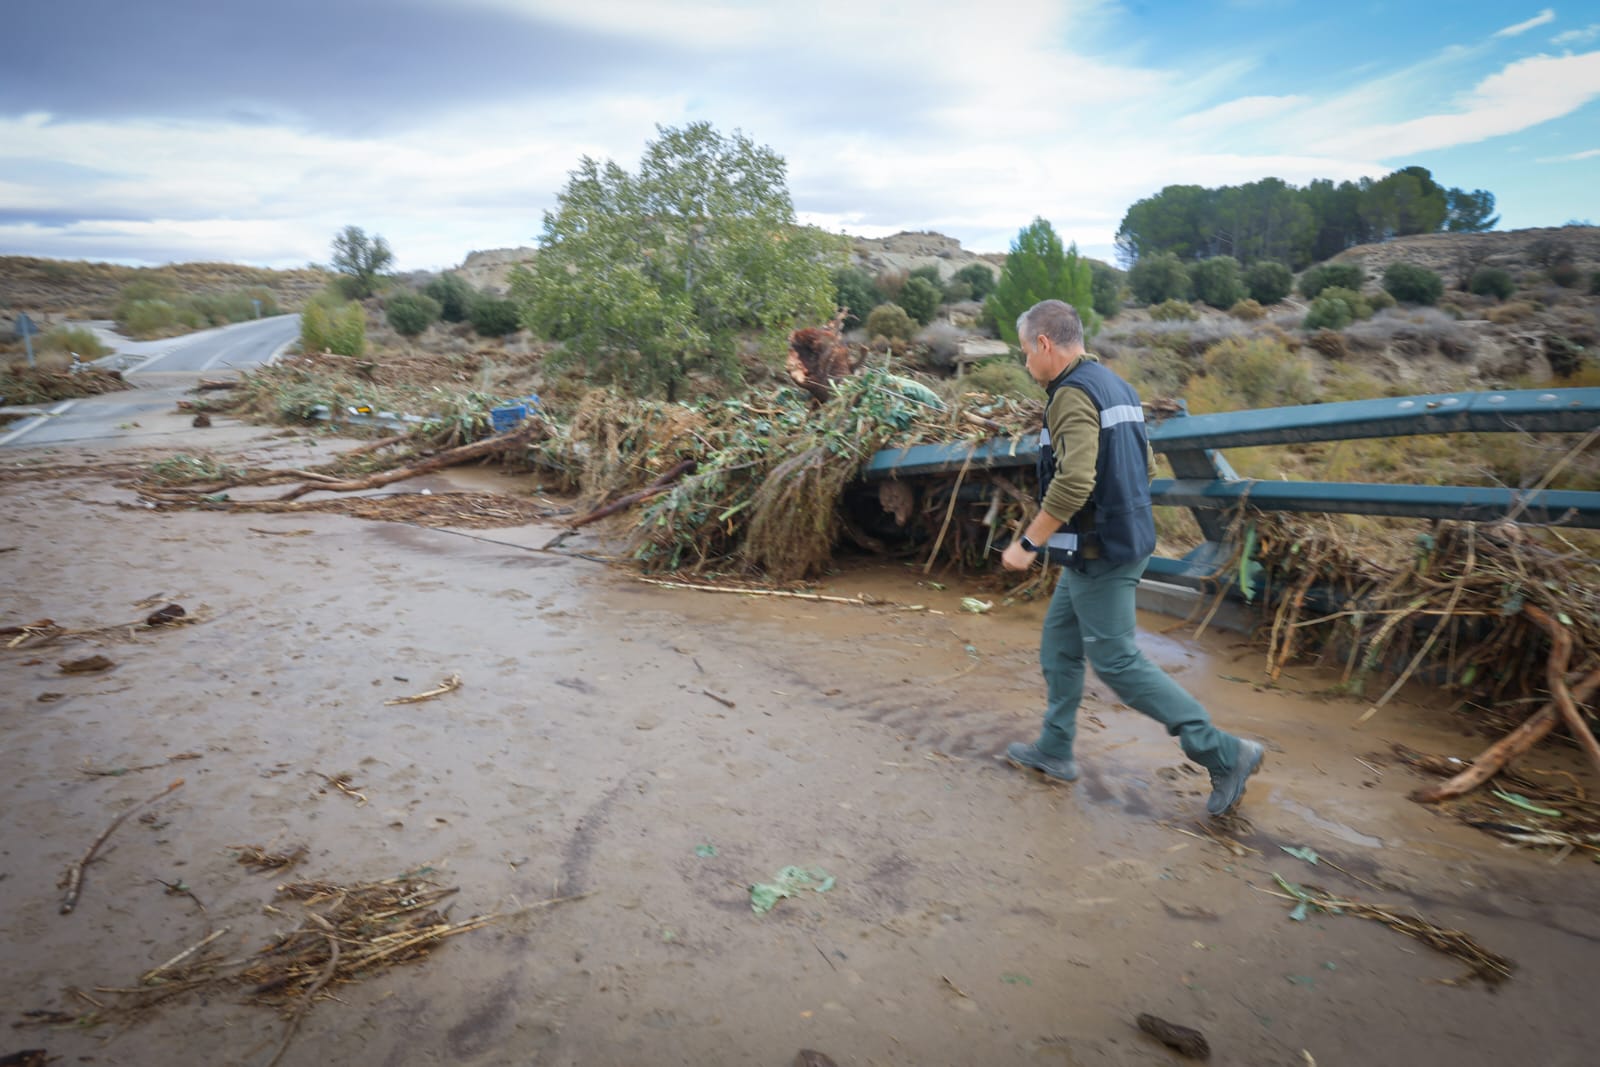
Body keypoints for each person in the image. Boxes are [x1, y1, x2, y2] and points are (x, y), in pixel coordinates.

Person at [999, 299, 1265, 817]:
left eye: (1025, 352)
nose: (1026, 364)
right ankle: (1054, 749)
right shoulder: (1114, 384)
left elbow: (1076, 479)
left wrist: (1029, 543)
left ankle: (1222, 752)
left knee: (1117, 661)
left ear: (1045, 344)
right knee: (1060, 645)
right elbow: (1142, 465)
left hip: (1103, 553)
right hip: (1113, 543)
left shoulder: (1070, 395)